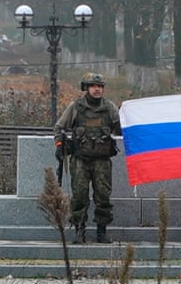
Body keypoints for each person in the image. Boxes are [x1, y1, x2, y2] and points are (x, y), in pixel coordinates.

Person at [54, 72, 121, 244]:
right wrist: (60, 146)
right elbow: (59, 128)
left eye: (99, 86)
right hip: (80, 161)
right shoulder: (76, 107)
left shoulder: (110, 107)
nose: (97, 89)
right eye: (93, 86)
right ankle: (79, 231)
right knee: (79, 196)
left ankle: (102, 232)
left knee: (103, 196)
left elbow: (120, 129)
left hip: (102, 161)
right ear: (86, 88)